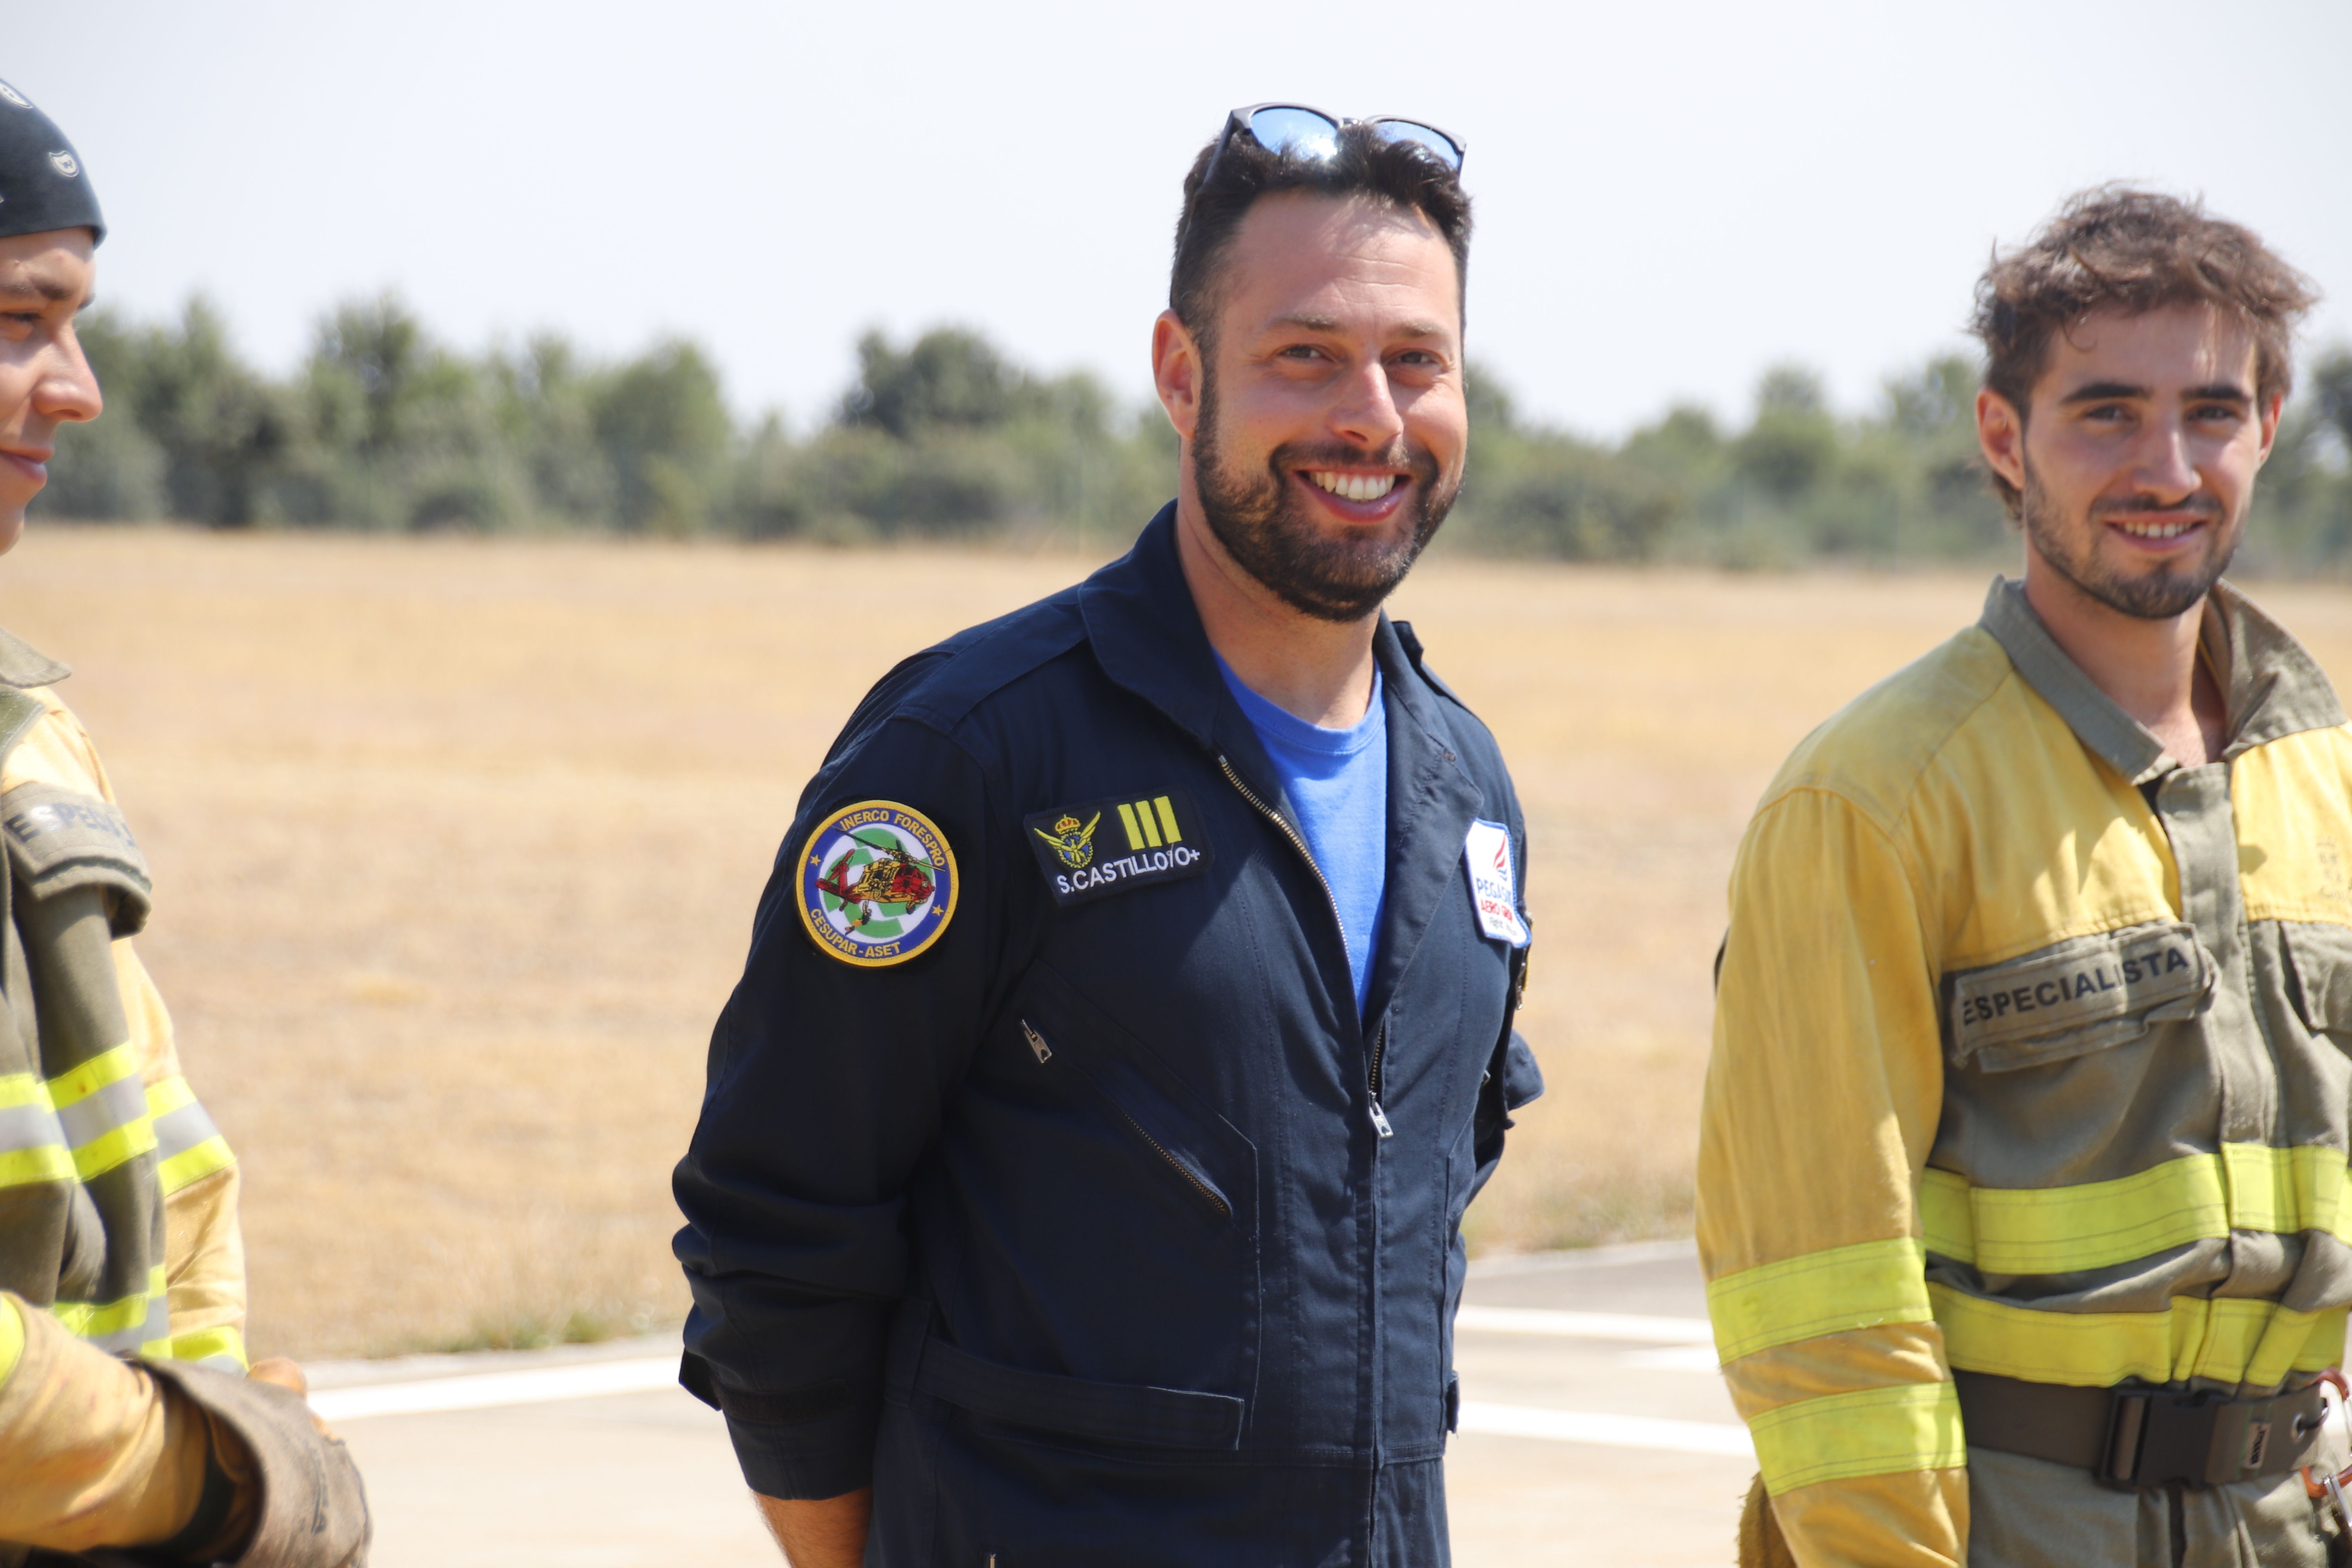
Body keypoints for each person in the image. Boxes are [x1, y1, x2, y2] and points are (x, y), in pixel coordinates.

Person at [673, 105, 1541, 1567]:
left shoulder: (1467, 789)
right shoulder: (969, 758)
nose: (1371, 419)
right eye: (1306, 355)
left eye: (1418, 363)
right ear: (1180, 373)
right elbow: (779, 1236)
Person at [1699, 187, 2350, 1568]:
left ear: (2271, 427)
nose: (2166, 466)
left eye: (2212, 414)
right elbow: (1820, 1299)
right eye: (2106, 412)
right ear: (2006, 439)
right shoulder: (1870, 801)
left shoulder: (2333, 787)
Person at [0, 80, 367, 1567]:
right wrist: (218, 1475)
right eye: (26, 317)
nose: (78, 386)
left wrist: (209, 1405)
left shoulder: (30, 728)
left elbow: (174, 1165)